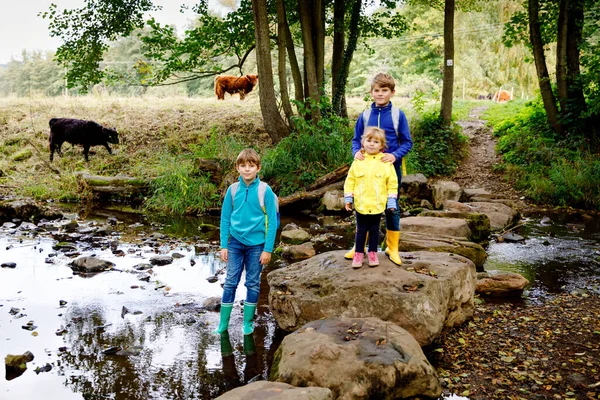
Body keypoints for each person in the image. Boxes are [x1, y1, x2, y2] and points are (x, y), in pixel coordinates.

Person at [346, 72, 413, 266]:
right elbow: (355, 139)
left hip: (389, 169)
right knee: (362, 205)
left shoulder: (397, 115)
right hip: (364, 169)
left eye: (384, 91)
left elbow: (407, 142)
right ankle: (359, 247)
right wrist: (355, 152)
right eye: (377, 90)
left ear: (392, 92)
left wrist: (394, 155)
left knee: (392, 207)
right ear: (371, 92)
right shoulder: (366, 115)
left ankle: (392, 248)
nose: (380, 94)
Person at [214, 148, 278, 335]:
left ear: (258, 168)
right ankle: (223, 324)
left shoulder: (264, 190)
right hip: (235, 242)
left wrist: (267, 249)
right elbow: (225, 218)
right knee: (231, 281)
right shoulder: (232, 190)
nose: (247, 169)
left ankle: (247, 323)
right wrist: (224, 245)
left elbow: (272, 222)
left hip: (257, 245)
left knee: (252, 282)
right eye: (243, 166)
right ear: (237, 168)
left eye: (251, 166)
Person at [344, 127, 398, 268]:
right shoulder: (358, 160)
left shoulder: (386, 162)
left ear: (382, 145)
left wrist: (391, 201)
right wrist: (348, 199)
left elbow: (392, 183)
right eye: (369, 140)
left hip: (377, 204)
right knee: (361, 230)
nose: (372, 144)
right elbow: (350, 181)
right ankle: (359, 254)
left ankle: (373, 253)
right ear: (363, 142)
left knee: (374, 230)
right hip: (361, 204)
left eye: (376, 142)